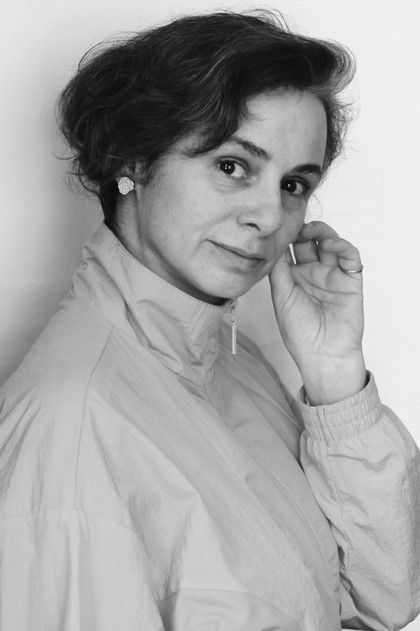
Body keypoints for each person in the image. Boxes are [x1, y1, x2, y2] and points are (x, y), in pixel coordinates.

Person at [0, 9, 418, 631]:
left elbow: (382, 600)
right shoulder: (74, 433)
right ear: (133, 160)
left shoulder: (233, 362)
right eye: (231, 166)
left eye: (294, 184)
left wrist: (336, 377)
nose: (269, 217)